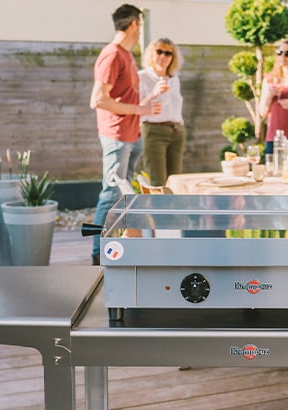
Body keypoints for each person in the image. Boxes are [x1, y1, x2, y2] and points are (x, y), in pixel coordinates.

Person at [89, 4, 161, 265]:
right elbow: (98, 100)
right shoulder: (112, 55)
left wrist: (148, 103)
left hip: (131, 135)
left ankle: (120, 252)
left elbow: (124, 98)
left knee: (124, 195)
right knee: (110, 194)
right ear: (134, 24)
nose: (140, 30)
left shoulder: (127, 56)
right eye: (140, 25)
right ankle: (97, 254)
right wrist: (140, 109)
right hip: (116, 136)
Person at [138, 38, 186, 187]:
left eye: (168, 53)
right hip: (154, 131)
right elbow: (134, 107)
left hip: (176, 131)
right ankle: (156, 204)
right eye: (159, 51)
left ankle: (172, 205)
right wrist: (153, 93)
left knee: (175, 181)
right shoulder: (142, 77)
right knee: (158, 183)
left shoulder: (174, 79)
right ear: (151, 54)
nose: (163, 57)